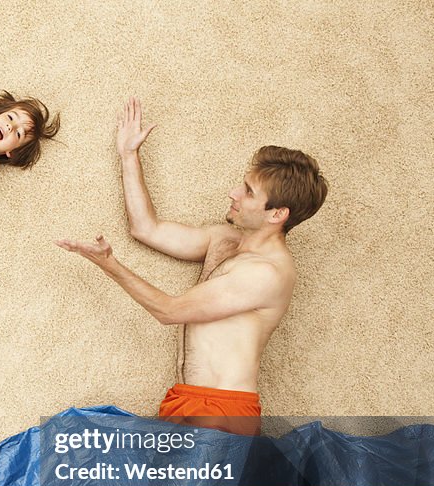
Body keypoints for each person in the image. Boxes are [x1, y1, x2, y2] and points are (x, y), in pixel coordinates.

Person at [57, 98, 328, 435]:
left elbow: (169, 311)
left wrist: (108, 264)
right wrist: (129, 155)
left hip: (223, 413)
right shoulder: (225, 239)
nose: (233, 192)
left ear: (277, 214)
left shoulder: (266, 274)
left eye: (247, 191)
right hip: (184, 401)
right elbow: (146, 228)